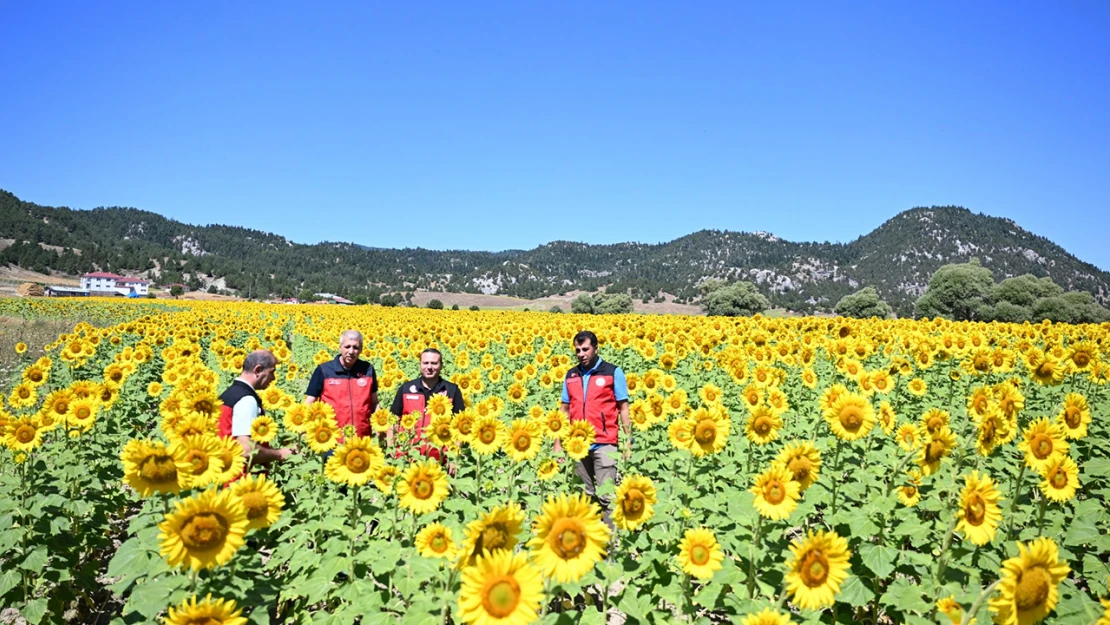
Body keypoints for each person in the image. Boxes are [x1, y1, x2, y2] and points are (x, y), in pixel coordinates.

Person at [559, 330, 631, 527]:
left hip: (605, 442)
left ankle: (609, 542)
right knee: (583, 495)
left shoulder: (612, 372)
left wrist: (628, 442)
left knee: (607, 495)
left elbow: (623, 408)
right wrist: (558, 444)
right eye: (577, 350)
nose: (581, 354)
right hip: (577, 444)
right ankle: (588, 537)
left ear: (596, 348)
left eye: (585, 349)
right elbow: (564, 411)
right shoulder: (571, 375)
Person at [218, 349, 296, 468]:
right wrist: (279, 454)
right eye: (272, 372)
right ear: (258, 370)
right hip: (240, 480)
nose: (274, 378)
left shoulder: (228, 394)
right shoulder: (246, 400)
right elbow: (246, 449)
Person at [390, 348, 466, 461]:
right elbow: (393, 421)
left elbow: (460, 426)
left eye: (434, 363)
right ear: (420, 365)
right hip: (407, 457)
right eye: (425, 363)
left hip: (441, 460)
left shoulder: (452, 391)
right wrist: (392, 448)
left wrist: (454, 456)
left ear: (441, 366)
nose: (429, 367)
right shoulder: (406, 389)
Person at [305, 330, 379, 438]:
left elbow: (374, 402)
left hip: (362, 437)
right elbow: (309, 403)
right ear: (340, 347)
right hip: (330, 438)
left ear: (361, 349)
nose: (351, 351)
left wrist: (379, 426)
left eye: (355, 347)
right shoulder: (324, 370)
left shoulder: (367, 370)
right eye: (347, 346)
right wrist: (306, 430)